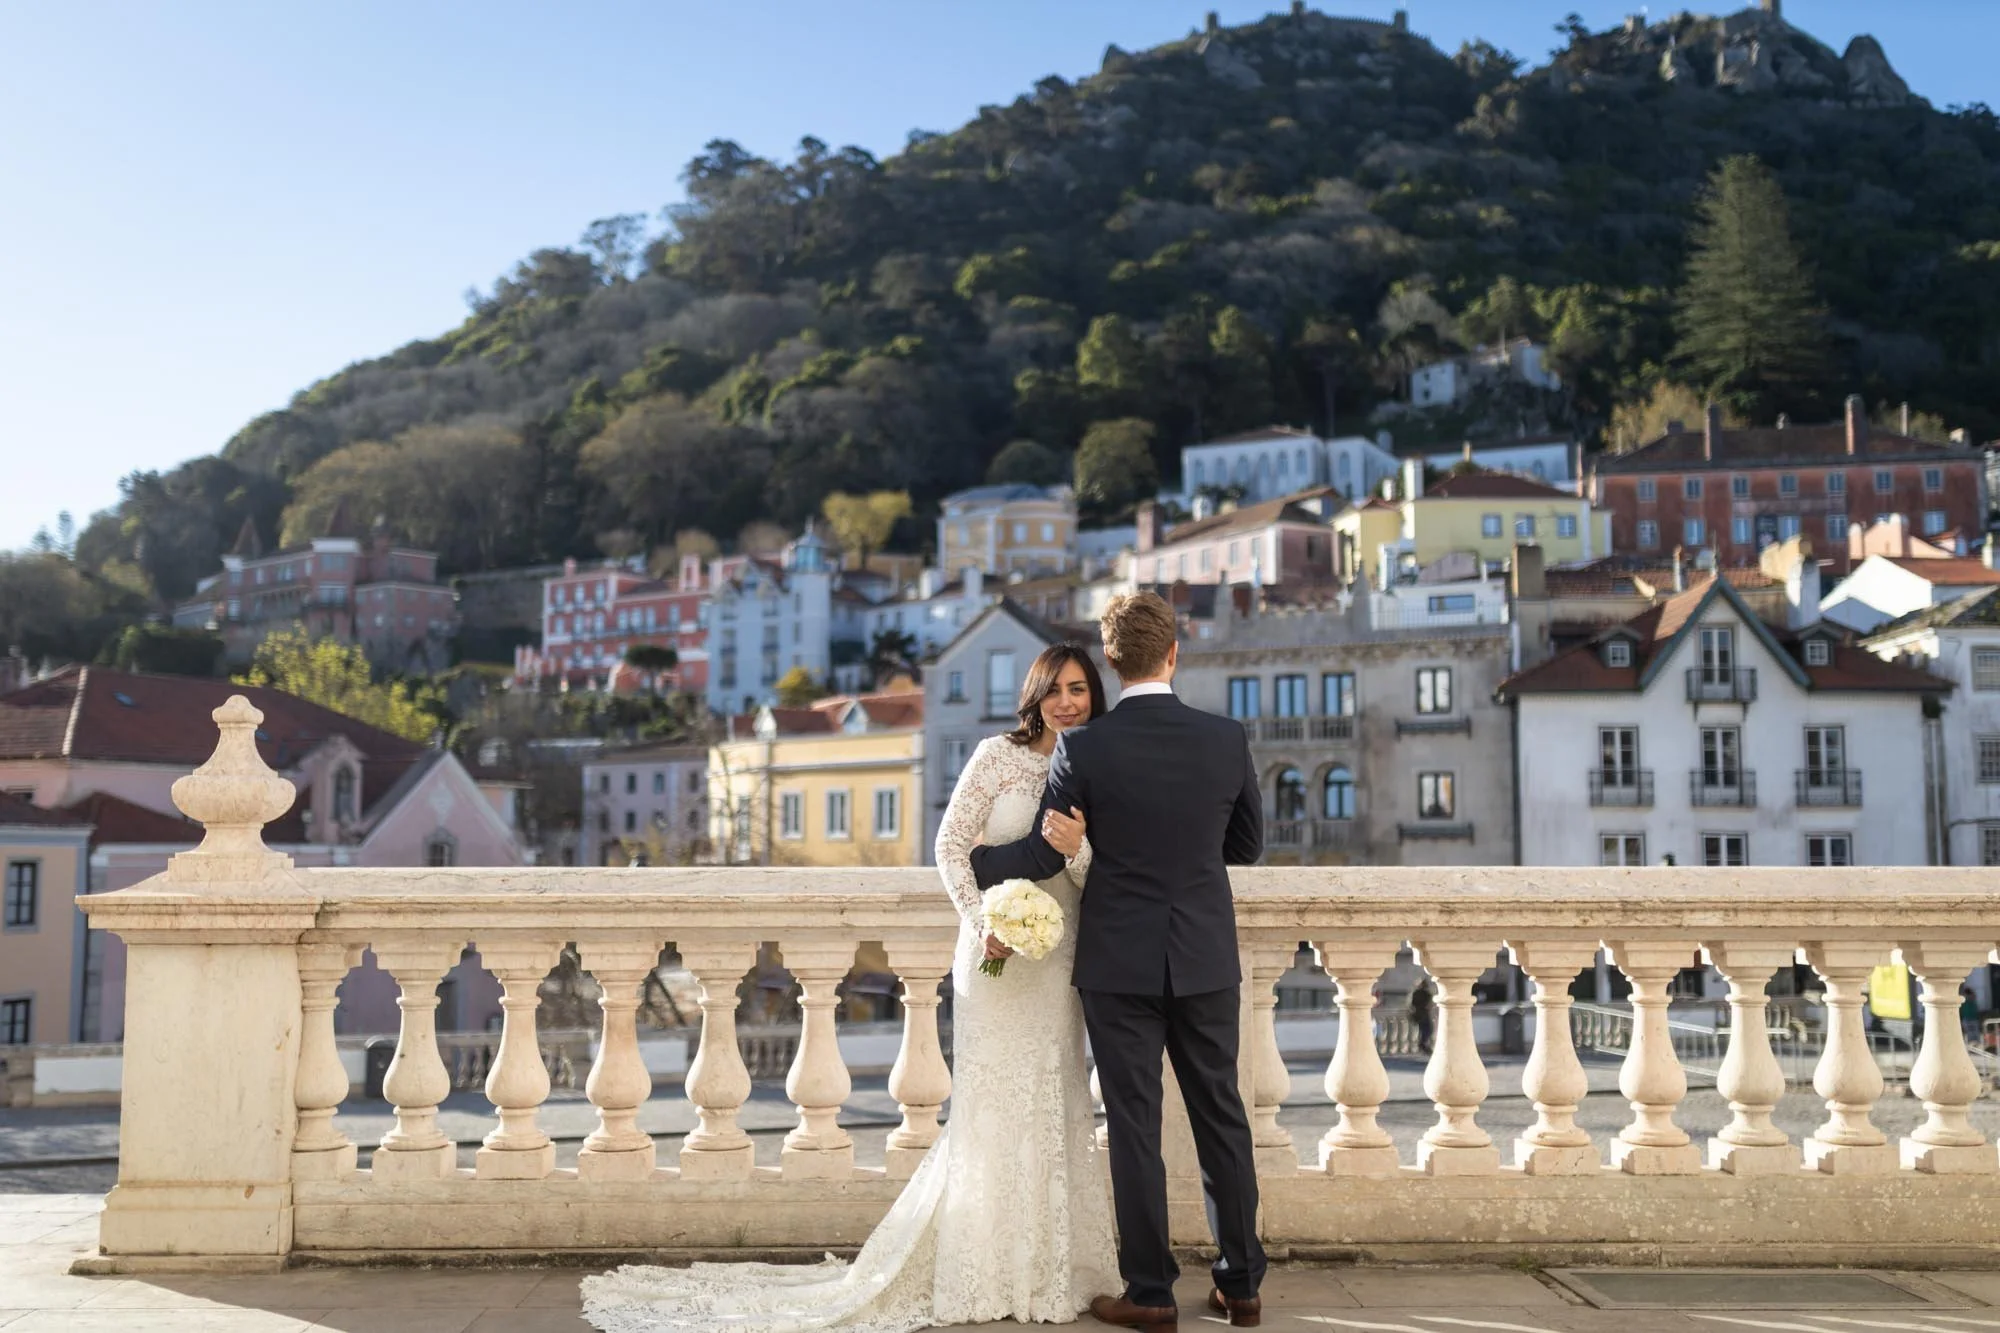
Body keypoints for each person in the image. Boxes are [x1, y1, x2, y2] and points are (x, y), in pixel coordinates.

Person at [581, 642, 1119, 1332]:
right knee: (993, 1111)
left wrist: (1077, 848)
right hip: (993, 957)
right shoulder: (995, 756)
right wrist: (983, 919)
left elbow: (1093, 878)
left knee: (1056, 1100)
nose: (1069, 700)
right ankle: (984, 1262)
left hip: (1057, 962)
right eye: (1058, 688)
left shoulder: (1096, 769)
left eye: (1081, 688)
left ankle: (1050, 1266)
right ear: (1036, 692)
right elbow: (950, 846)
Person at [971, 591, 1267, 1331]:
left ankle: (1152, 1292)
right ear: (1174, 653)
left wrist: (981, 861)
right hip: (1203, 951)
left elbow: (1046, 851)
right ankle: (1241, 1283)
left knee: (1134, 1124)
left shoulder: (1083, 747)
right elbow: (1247, 846)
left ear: (1110, 659)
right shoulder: (1226, 739)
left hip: (1118, 961)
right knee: (1222, 1117)